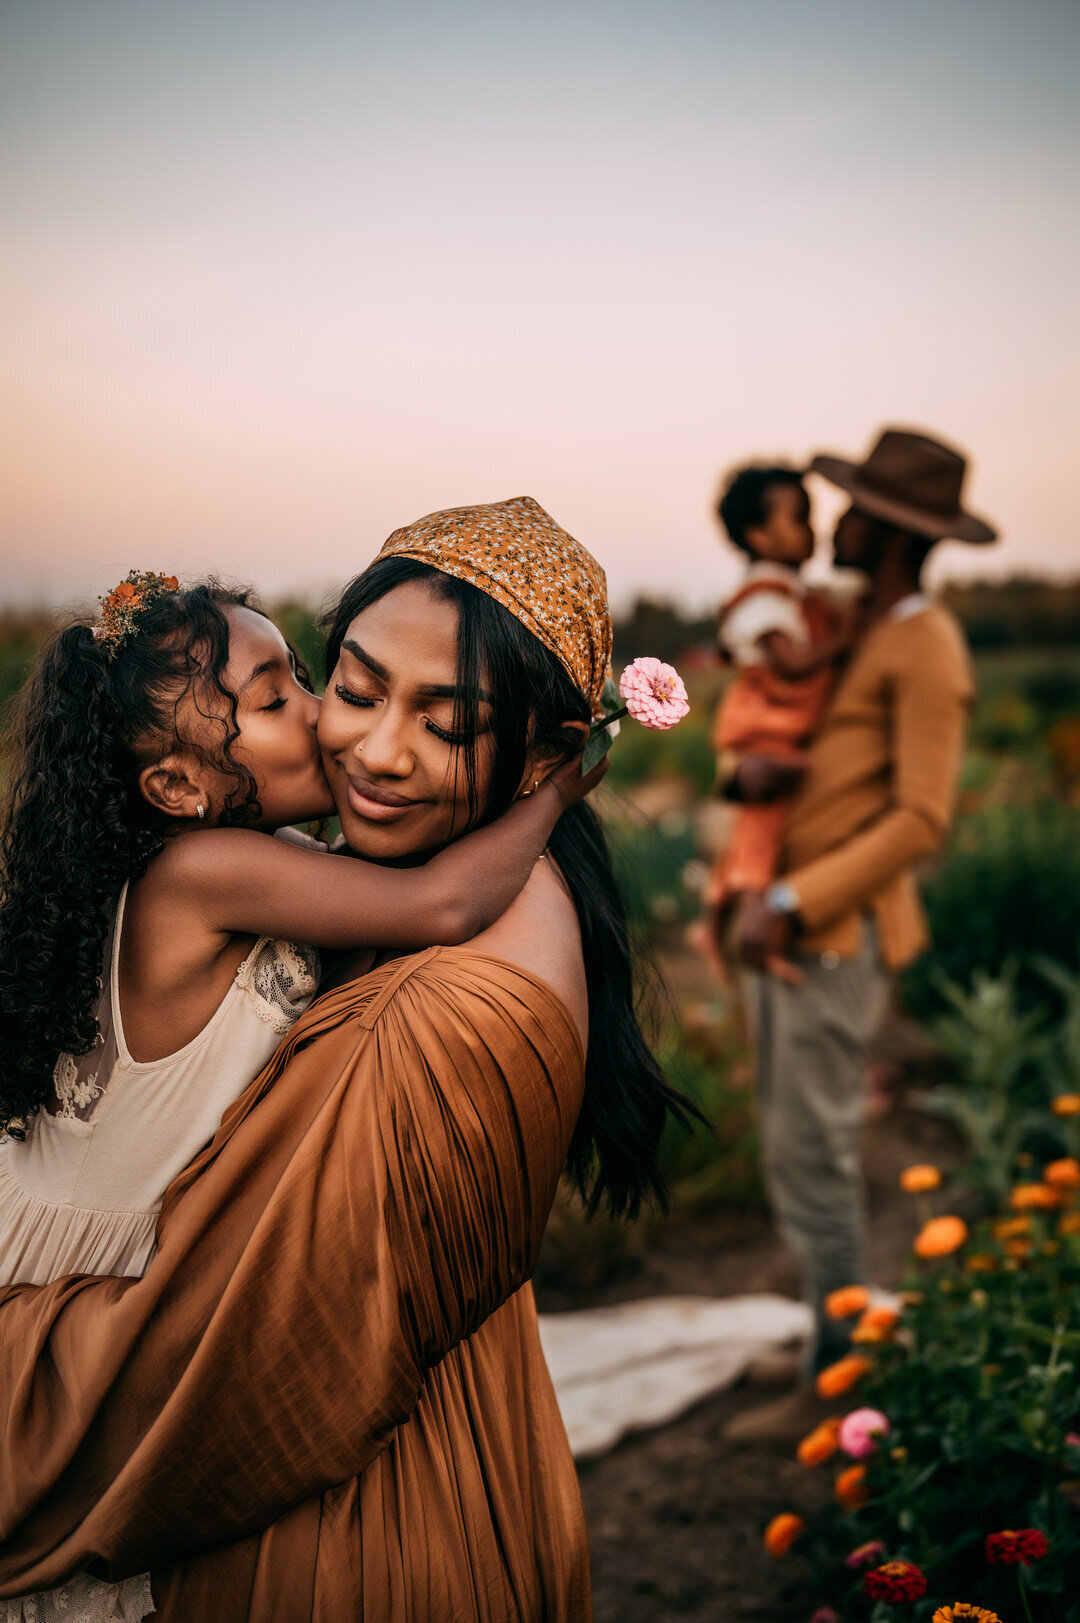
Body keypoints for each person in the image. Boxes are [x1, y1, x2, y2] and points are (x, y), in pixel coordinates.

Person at [0, 498, 687, 1621]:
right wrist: (562, 789)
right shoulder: (240, 867)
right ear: (172, 779)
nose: (365, 743)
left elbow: (269, 1341)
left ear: (542, 748)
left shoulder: (440, 998)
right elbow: (440, 898)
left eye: (446, 721)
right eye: (351, 689)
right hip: (96, 1261)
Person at [724, 428, 997, 1441]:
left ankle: (838, 1382)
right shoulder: (855, 628)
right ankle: (822, 1343)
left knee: (818, 1153)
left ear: (886, 530)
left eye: (851, 506)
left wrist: (790, 901)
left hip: (828, 932)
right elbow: (798, 753)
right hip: (787, 924)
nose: (833, 518)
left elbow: (920, 818)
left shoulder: (926, 644)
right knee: (792, 1148)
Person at [699, 464, 856, 981]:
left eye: (811, 515)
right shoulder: (764, 593)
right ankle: (754, 926)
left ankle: (712, 917)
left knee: (755, 829)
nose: (813, 528)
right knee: (763, 828)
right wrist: (845, 640)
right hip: (769, 724)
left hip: (773, 718)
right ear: (757, 534)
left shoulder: (784, 588)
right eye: (799, 517)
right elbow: (790, 663)